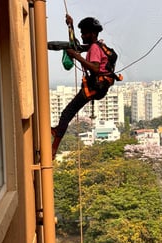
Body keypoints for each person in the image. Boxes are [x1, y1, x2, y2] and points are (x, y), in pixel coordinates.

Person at [51, 14, 114, 159]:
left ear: (92, 33)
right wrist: (70, 26)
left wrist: (77, 57)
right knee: (67, 113)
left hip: (95, 86)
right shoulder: (99, 45)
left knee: (67, 113)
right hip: (99, 86)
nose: (82, 35)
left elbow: (96, 68)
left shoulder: (94, 49)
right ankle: (57, 132)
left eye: (84, 32)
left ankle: (54, 147)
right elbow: (76, 46)